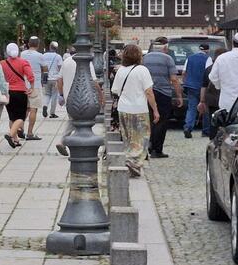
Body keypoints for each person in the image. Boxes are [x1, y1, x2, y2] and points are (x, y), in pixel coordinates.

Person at [112, 44, 159, 177]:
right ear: (139, 55)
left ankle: (129, 160)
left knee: (128, 137)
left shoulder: (120, 70)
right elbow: (149, 92)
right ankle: (135, 163)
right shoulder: (142, 70)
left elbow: (114, 90)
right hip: (139, 108)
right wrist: (155, 110)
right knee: (142, 137)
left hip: (123, 108)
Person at [55, 49, 102, 157]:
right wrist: (100, 95)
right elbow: (94, 82)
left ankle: (72, 142)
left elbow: (59, 79)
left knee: (73, 120)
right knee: (76, 120)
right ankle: (62, 142)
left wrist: (62, 94)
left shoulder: (66, 61)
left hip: (68, 96)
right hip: (83, 96)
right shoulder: (87, 63)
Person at [142, 37, 183, 158]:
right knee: (161, 122)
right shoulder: (168, 59)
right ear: (165, 47)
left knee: (149, 120)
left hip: (148, 92)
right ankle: (157, 149)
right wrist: (179, 95)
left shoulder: (145, 58)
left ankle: (147, 146)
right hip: (163, 93)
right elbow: (174, 79)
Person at [0, 43, 34, 149]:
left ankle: (15, 140)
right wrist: (31, 87)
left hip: (8, 92)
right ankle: (10, 135)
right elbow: (30, 76)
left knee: (12, 117)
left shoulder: (2, 63)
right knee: (21, 117)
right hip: (20, 92)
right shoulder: (23, 62)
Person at [182, 44, 211, 138]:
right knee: (205, 108)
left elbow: (184, 72)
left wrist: (185, 82)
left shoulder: (189, 58)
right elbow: (209, 74)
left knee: (192, 108)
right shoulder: (208, 59)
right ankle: (206, 130)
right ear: (207, 50)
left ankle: (188, 127)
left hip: (190, 86)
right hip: (203, 86)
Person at [21, 36, 46, 139]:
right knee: (33, 109)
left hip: (24, 84)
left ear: (29, 44)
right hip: (35, 84)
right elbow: (45, 68)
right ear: (38, 44)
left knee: (25, 109)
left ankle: (20, 129)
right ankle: (30, 133)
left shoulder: (22, 54)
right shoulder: (40, 55)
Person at [42, 41, 64, 118]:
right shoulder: (58, 56)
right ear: (56, 48)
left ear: (50, 47)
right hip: (55, 78)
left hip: (46, 78)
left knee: (47, 94)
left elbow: (42, 66)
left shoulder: (44, 55)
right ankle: (52, 113)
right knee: (54, 95)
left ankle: (45, 105)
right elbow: (60, 67)